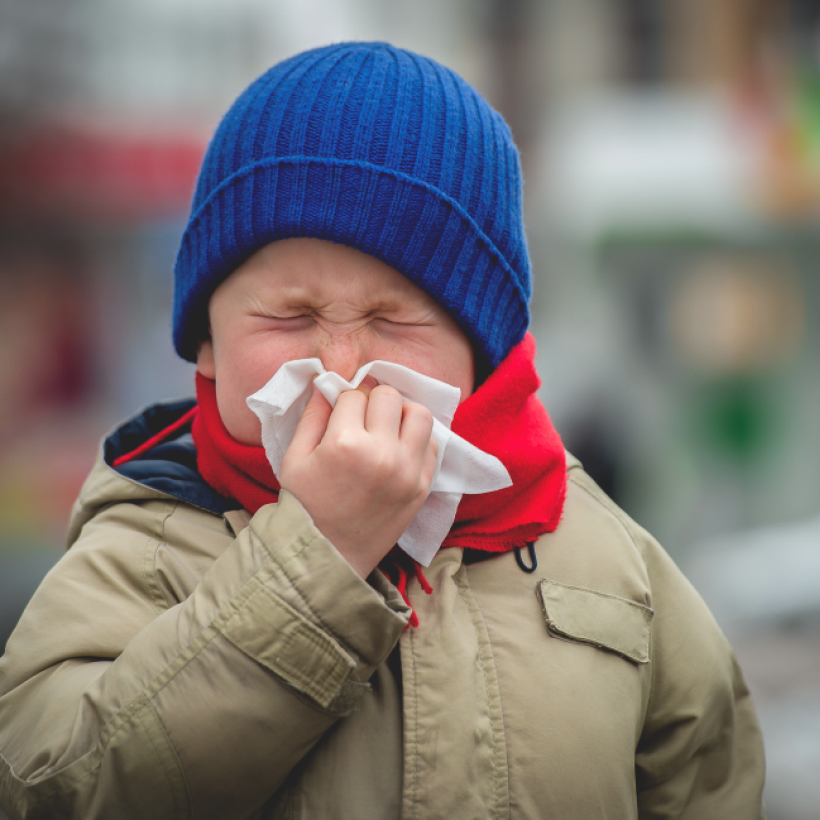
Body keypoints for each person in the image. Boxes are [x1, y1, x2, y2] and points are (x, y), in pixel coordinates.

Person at [0, 42, 765, 819]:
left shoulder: (613, 564)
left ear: (483, 352)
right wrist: (317, 556)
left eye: (391, 319)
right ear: (206, 341)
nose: (341, 365)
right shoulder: (139, 549)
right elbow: (52, 789)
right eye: (290, 315)